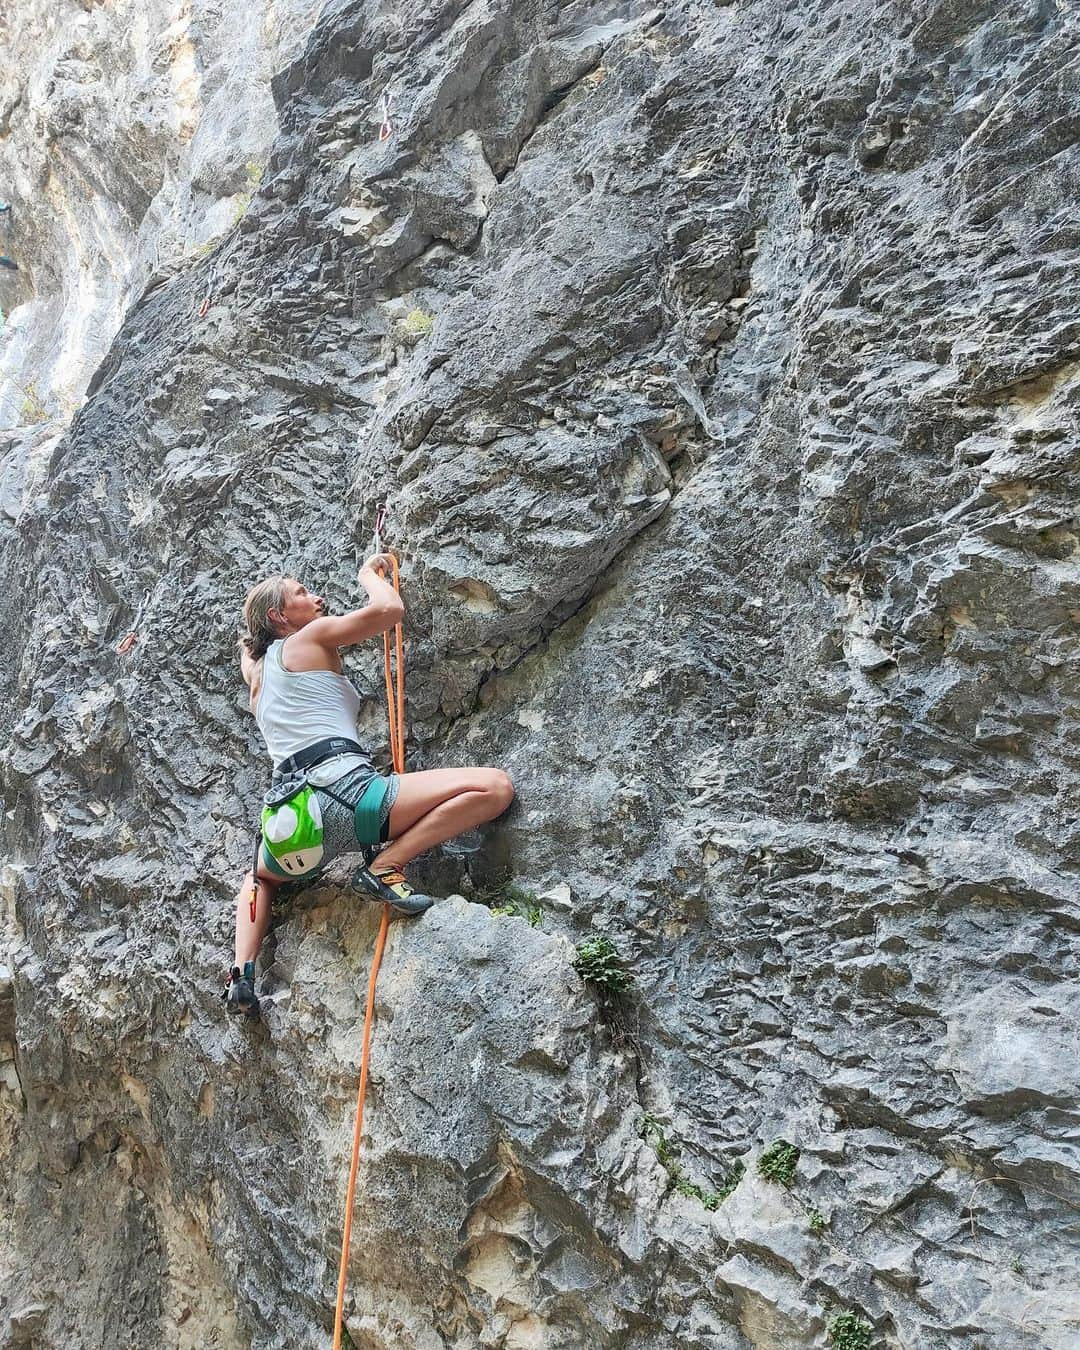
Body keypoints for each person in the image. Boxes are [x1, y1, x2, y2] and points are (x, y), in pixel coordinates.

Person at [225, 553, 515, 1015]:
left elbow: (248, 647)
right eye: (302, 593)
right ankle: (386, 865)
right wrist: (368, 573)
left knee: (258, 877)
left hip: (287, 826)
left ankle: (241, 976)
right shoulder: (311, 636)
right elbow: (388, 612)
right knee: (494, 787)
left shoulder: (256, 674)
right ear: (280, 617)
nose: (316, 598)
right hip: (348, 797)